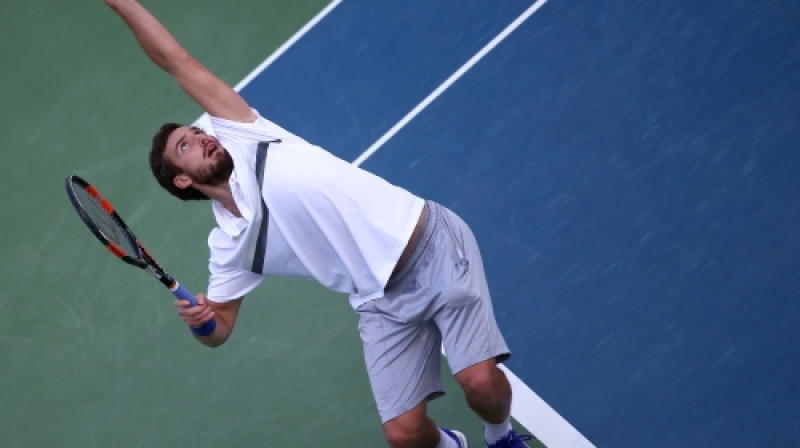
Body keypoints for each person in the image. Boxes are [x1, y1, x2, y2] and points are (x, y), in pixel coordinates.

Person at [104, 1, 532, 447]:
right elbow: (220, 330)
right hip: (378, 301)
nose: (203, 138)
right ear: (183, 179)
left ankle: (501, 438)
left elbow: (175, 60)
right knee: (404, 437)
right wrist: (201, 321)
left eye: (197, 132)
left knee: (480, 384)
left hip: (428, 244)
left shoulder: (244, 133)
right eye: (186, 146)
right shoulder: (232, 246)